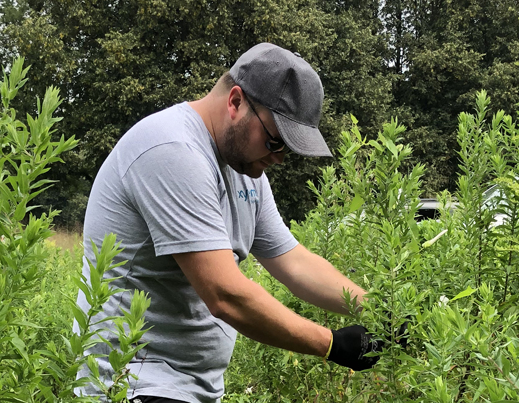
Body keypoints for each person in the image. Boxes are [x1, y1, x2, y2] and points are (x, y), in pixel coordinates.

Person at [76, 43, 394, 403]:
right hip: (131, 382)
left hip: (192, 388)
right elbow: (225, 295)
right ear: (236, 102)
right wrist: (332, 344)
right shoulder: (172, 150)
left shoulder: (247, 171)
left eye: (287, 148)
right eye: (275, 141)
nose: (279, 158)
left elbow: (293, 262)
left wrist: (383, 309)